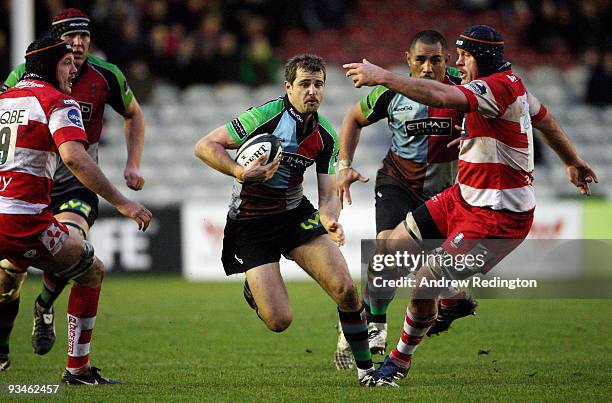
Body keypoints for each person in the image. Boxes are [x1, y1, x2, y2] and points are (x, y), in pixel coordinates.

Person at [344, 25, 597, 384]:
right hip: (462, 196)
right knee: (391, 249)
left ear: (484, 57)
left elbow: (443, 98)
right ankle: (452, 299)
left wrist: (382, 77)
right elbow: (546, 121)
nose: (457, 63)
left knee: (422, 284)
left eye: (464, 56)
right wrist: (572, 160)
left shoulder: (495, 87)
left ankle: (399, 361)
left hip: (497, 217)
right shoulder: (515, 85)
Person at [194, 54, 396, 387]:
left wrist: (330, 220)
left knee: (345, 289)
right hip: (251, 223)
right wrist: (240, 171)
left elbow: (328, 195)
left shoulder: (326, 136)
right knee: (279, 320)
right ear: (288, 87)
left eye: (318, 84)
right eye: (304, 84)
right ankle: (254, 288)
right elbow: (205, 146)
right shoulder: (264, 117)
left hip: (295, 216)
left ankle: (367, 372)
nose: (312, 91)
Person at [0, 37, 152, 382]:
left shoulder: (4, 99)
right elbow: (74, 157)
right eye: (67, 62)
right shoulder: (56, 101)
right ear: (50, 65)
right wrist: (123, 202)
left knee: (10, 273)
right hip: (24, 220)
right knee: (91, 269)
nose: (74, 69)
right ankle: (77, 370)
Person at [334, 30, 477, 370]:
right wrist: (343, 166)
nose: (428, 68)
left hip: (445, 192)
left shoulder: (467, 88)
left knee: (429, 272)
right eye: (421, 60)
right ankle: (376, 327)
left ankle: (447, 301)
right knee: (387, 248)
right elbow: (353, 119)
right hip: (398, 182)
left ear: (447, 60)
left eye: (436, 60)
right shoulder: (390, 91)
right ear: (408, 60)